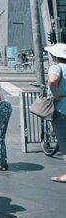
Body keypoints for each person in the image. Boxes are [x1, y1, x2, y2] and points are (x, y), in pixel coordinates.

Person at [44, 44, 66, 183]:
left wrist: (56, 95)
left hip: (61, 108)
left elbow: (52, 80)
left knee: (64, 141)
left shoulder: (56, 67)